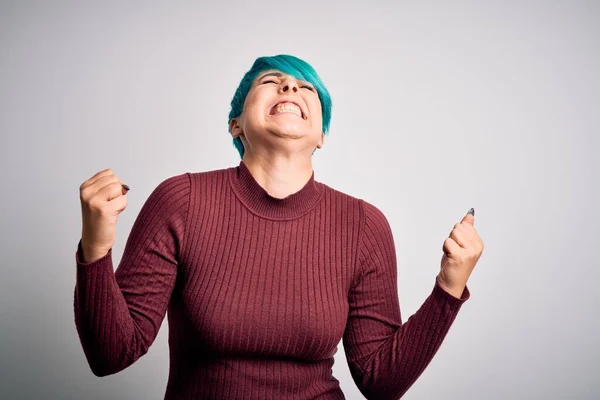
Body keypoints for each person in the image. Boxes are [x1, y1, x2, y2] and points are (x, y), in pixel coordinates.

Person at [74, 54, 484, 399]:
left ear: (322, 134)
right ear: (236, 124)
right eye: (271, 82)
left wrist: (448, 289)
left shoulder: (364, 225)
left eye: (307, 89)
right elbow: (111, 354)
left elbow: (381, 380)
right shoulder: (180, 201)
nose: (290, 88)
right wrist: (95, 248)